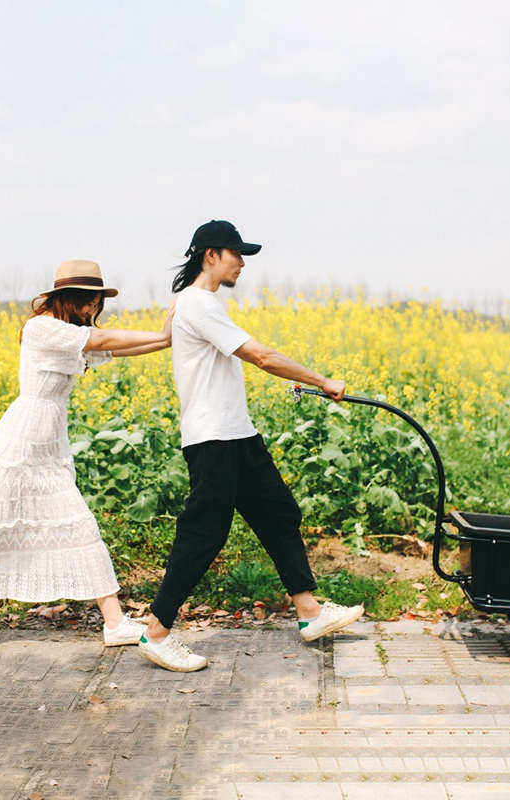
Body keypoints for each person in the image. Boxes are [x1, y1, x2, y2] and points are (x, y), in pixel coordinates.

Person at [0, 260, 174, 663]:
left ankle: (116, 623)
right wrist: (160, 333)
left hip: (47, 446)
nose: (93, 310)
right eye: (90, 302)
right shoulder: (44, 328)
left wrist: (166, 340)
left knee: (82, 529)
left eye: (96, 302)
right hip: (20, 443)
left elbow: (115, 349)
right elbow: (102, 343)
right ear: (71, 299)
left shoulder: (72, 334)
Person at [138, 220, 364, 673]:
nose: (243, 263)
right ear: (211, 255)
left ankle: (309, 611)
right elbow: (261, 356)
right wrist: (323, 381)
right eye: (236, 254)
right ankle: (157, 632)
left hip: (236, 434)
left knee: (278, 512)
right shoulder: (199, 305)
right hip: (213, 440)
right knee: (204, 534)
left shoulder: (194, 303)